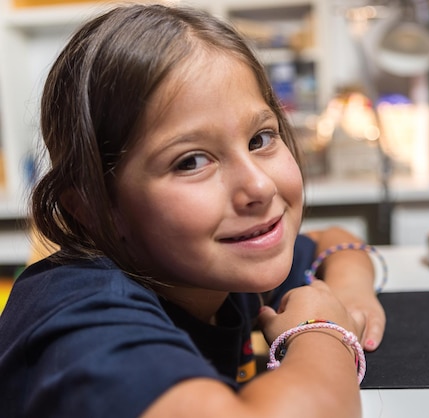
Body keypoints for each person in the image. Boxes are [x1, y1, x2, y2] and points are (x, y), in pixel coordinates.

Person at [0, 4, 386, 418]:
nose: (259, 185)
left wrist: (348, 293)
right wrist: (324, 331)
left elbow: (334, 241)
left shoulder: (210, 262)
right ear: (95, 208)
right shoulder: (84, 320)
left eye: (260, 138)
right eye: (191, 161)